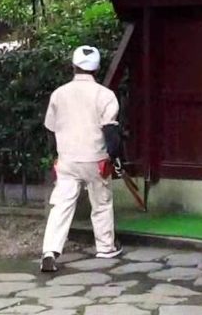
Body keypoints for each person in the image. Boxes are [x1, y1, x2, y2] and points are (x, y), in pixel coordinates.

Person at [40, 45, 124, 273]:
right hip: (96, 159)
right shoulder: (105, 95)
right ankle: (106, 247)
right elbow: (111, 133)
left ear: (73, 66)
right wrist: (115, 158)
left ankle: (50, 251)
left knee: (62, 205)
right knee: (102, 202)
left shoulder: (59, 94)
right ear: (97, 68)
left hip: (67, 159)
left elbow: (50, 129)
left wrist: (54, 156)